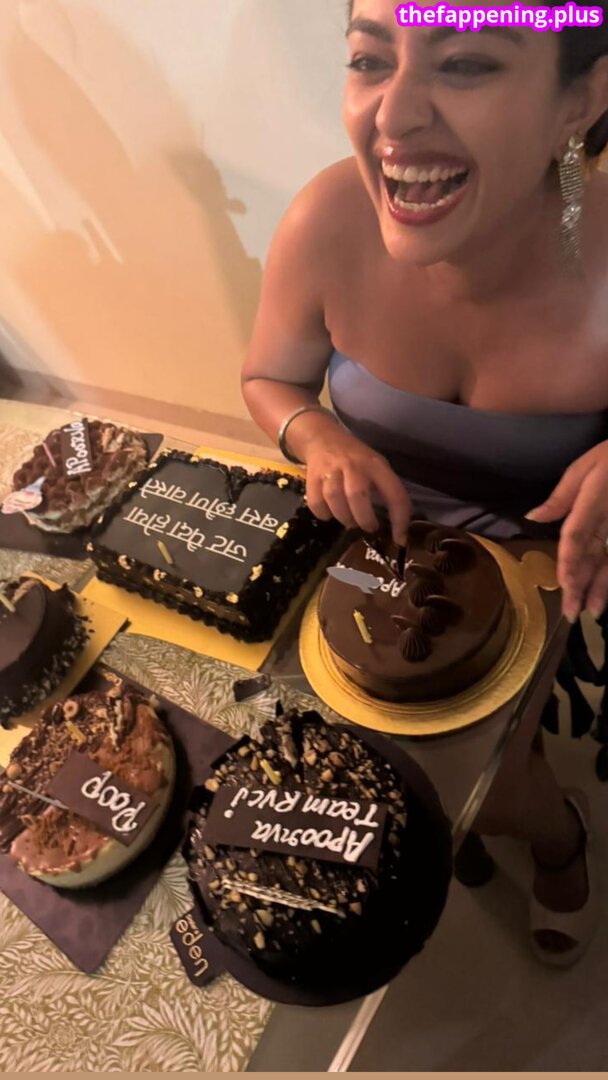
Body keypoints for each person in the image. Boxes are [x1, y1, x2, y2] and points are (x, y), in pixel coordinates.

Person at [241, 0, 608, 965]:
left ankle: (558, 835)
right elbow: (269, 378)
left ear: (581, 98)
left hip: (540, 565)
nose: (393, 117)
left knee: (492, 764)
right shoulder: (326, 218)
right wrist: (316, 433)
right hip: (376, 555)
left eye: (467, 64)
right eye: (371, 59)